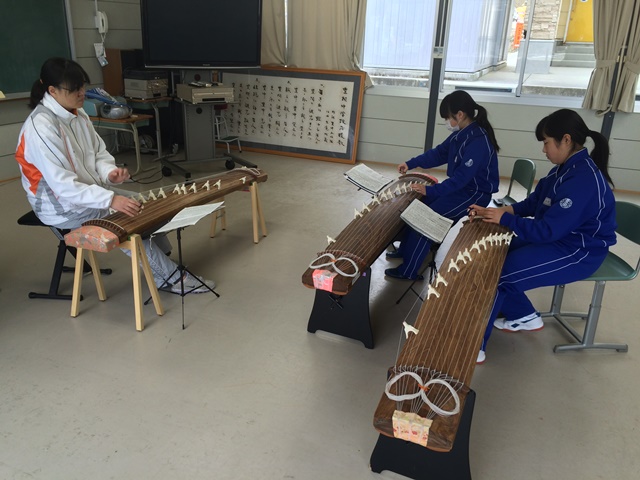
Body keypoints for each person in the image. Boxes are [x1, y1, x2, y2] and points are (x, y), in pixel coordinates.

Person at [15, 57, 215, 294]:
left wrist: (109, 172)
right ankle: (170, 277)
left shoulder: (77, 114)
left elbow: (97, 152)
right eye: (75, 89)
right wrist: (110, 200)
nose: (82, 93)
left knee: (141, 204)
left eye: (83, 86)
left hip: (85, 193)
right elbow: (62, 186)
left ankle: (161, 262)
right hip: (58, 206)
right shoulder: (41, 127)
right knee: (128, 220)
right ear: (52, 91)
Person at [469, 108, 617, 364]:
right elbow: (535, 202)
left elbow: (547, 230)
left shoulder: (583, 180)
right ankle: (524, 315)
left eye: (547, 142)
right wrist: (502, 211)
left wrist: (505, 220)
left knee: (500, 275)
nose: (543, 149)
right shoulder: (563, 168)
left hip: (579, 251)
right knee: (497, 250)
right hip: (559, 237)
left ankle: (472, 347)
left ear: (566, 140)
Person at [385, 90, 500, 280]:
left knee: (428, 218)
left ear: (460, 115)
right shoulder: (461, 134)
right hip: (462, 188)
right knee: (418, 206)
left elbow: (461, 178)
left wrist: (431, 190)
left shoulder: (478, 141)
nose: (447, 121)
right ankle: (406, 251)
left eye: (448, 117)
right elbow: (438, 153)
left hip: (475, 194)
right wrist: (411, 163)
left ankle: (409, 270)